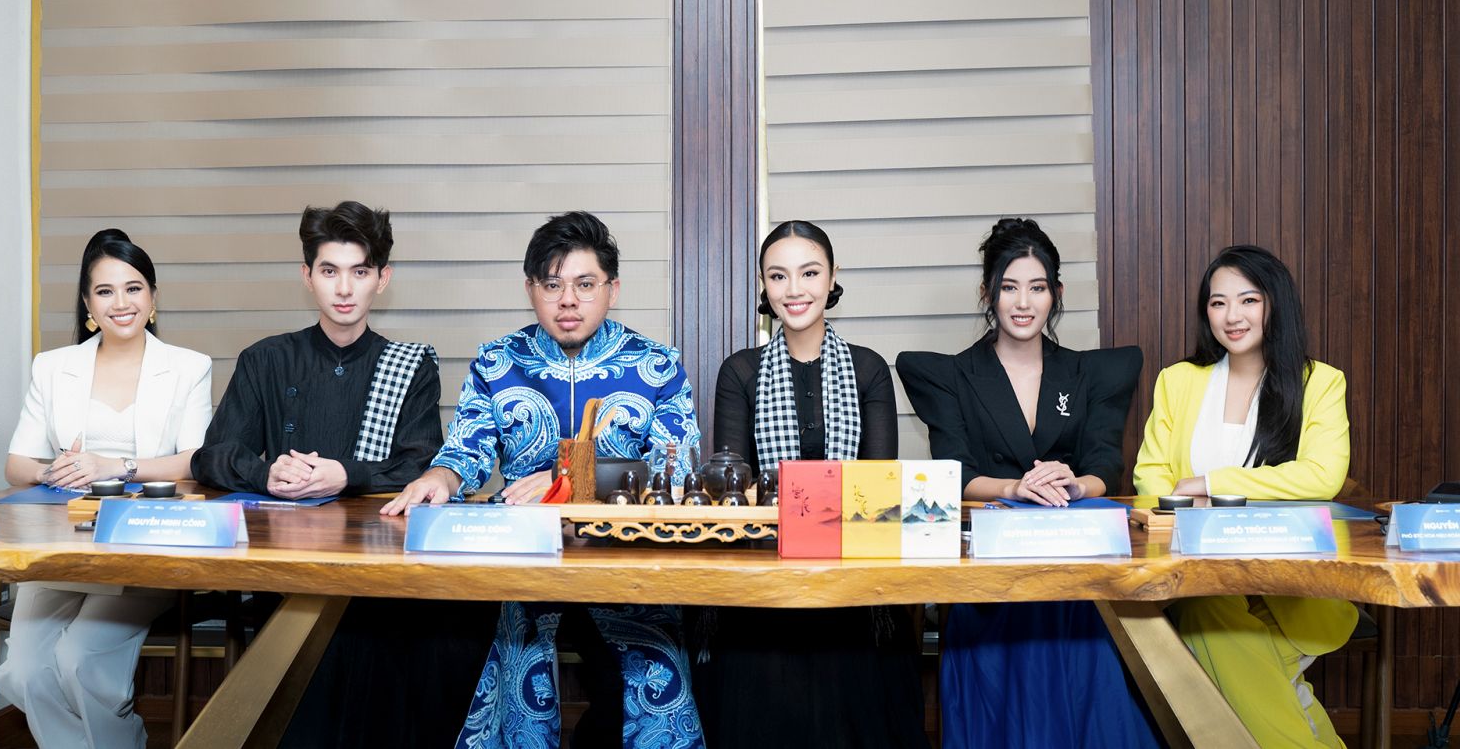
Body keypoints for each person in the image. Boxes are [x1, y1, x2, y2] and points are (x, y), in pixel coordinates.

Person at [385, 210, 705, 749]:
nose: (568, 301)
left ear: (612, 289)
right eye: (552, 285)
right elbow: (466, 448)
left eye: (585, 284)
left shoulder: (657, 364)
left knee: (650, 676)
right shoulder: (497, 361)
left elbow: (679, 469)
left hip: (622, 560)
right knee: (506, 668)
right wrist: (441, 475)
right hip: (522, 562)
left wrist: (571, 481)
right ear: (531, 289)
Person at [191, 201, 493, 747]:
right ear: (307, 276)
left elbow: (420, 464)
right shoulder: (265, 359)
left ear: (383, 279)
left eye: (360, 272)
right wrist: (267, 474)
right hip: (289, 567)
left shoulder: (410, 365)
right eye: (330, 271)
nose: (345, 288)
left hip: (381, 569)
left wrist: (344, 474)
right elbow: (211, 457)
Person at [896, 217, 1158, 748]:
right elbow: (954, 472)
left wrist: (1074, 484)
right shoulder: (954, 376)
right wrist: (1014, 489)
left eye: (1037, 288)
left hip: (1073, 566)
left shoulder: (1088, 374)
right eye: (1009, 287)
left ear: (1056, 293)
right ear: (987, 293)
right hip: (990, 567)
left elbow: (1105, 466)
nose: (1023, 302)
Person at [696, 220, 927, 748]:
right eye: (778, 276)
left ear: (832, 277)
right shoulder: (741, 371)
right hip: (766, 583)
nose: (794, 289)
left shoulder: (868, 368)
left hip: (854, 587)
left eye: (809, 273)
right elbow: (734, 487)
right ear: (763, 283)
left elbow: (878, 485)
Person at [0, 229, 213, 749]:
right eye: (105, 291)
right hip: (65, 545)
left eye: (134, 288)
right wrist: (55, 472)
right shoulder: (52, 367)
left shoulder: (189, 366)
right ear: (88, 304)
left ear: (153, 298)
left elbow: (196, 462)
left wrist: (118, 466)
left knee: (79, 660)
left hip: (145, 544)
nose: (121, 302)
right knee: (23, 671)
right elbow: (16, 465)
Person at [1134, 245, 1355, 748]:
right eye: (1218, 303)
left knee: (1208, 642)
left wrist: (1213, 485)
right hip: (1199, 579)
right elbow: (1151, 475)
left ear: (1275, 304)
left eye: (1248, 300)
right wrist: (1187, 506)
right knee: (1216, 624)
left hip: (1292, 588)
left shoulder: (1319, 382)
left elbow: (1322, 476)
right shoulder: (1178, 381)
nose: (1232, 316)